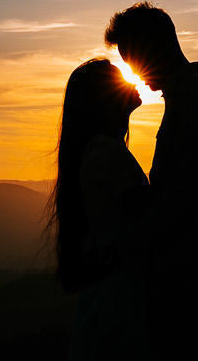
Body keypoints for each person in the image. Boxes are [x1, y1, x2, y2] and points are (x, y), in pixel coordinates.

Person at [105, 1, 198, 359]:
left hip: (185, 280)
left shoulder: (197, 98)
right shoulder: (188, 98)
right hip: (183, 275)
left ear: (153, 47)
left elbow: (182, 197)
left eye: (132, 58)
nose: (134, 71)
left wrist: (120, 248)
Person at [47, 58, 152, 360]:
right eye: (119, 80)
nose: (131, 82)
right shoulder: (107, 153)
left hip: (107, 303)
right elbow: (151, 220)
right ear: (103, 100)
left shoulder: (99, 151)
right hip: (118, 308)